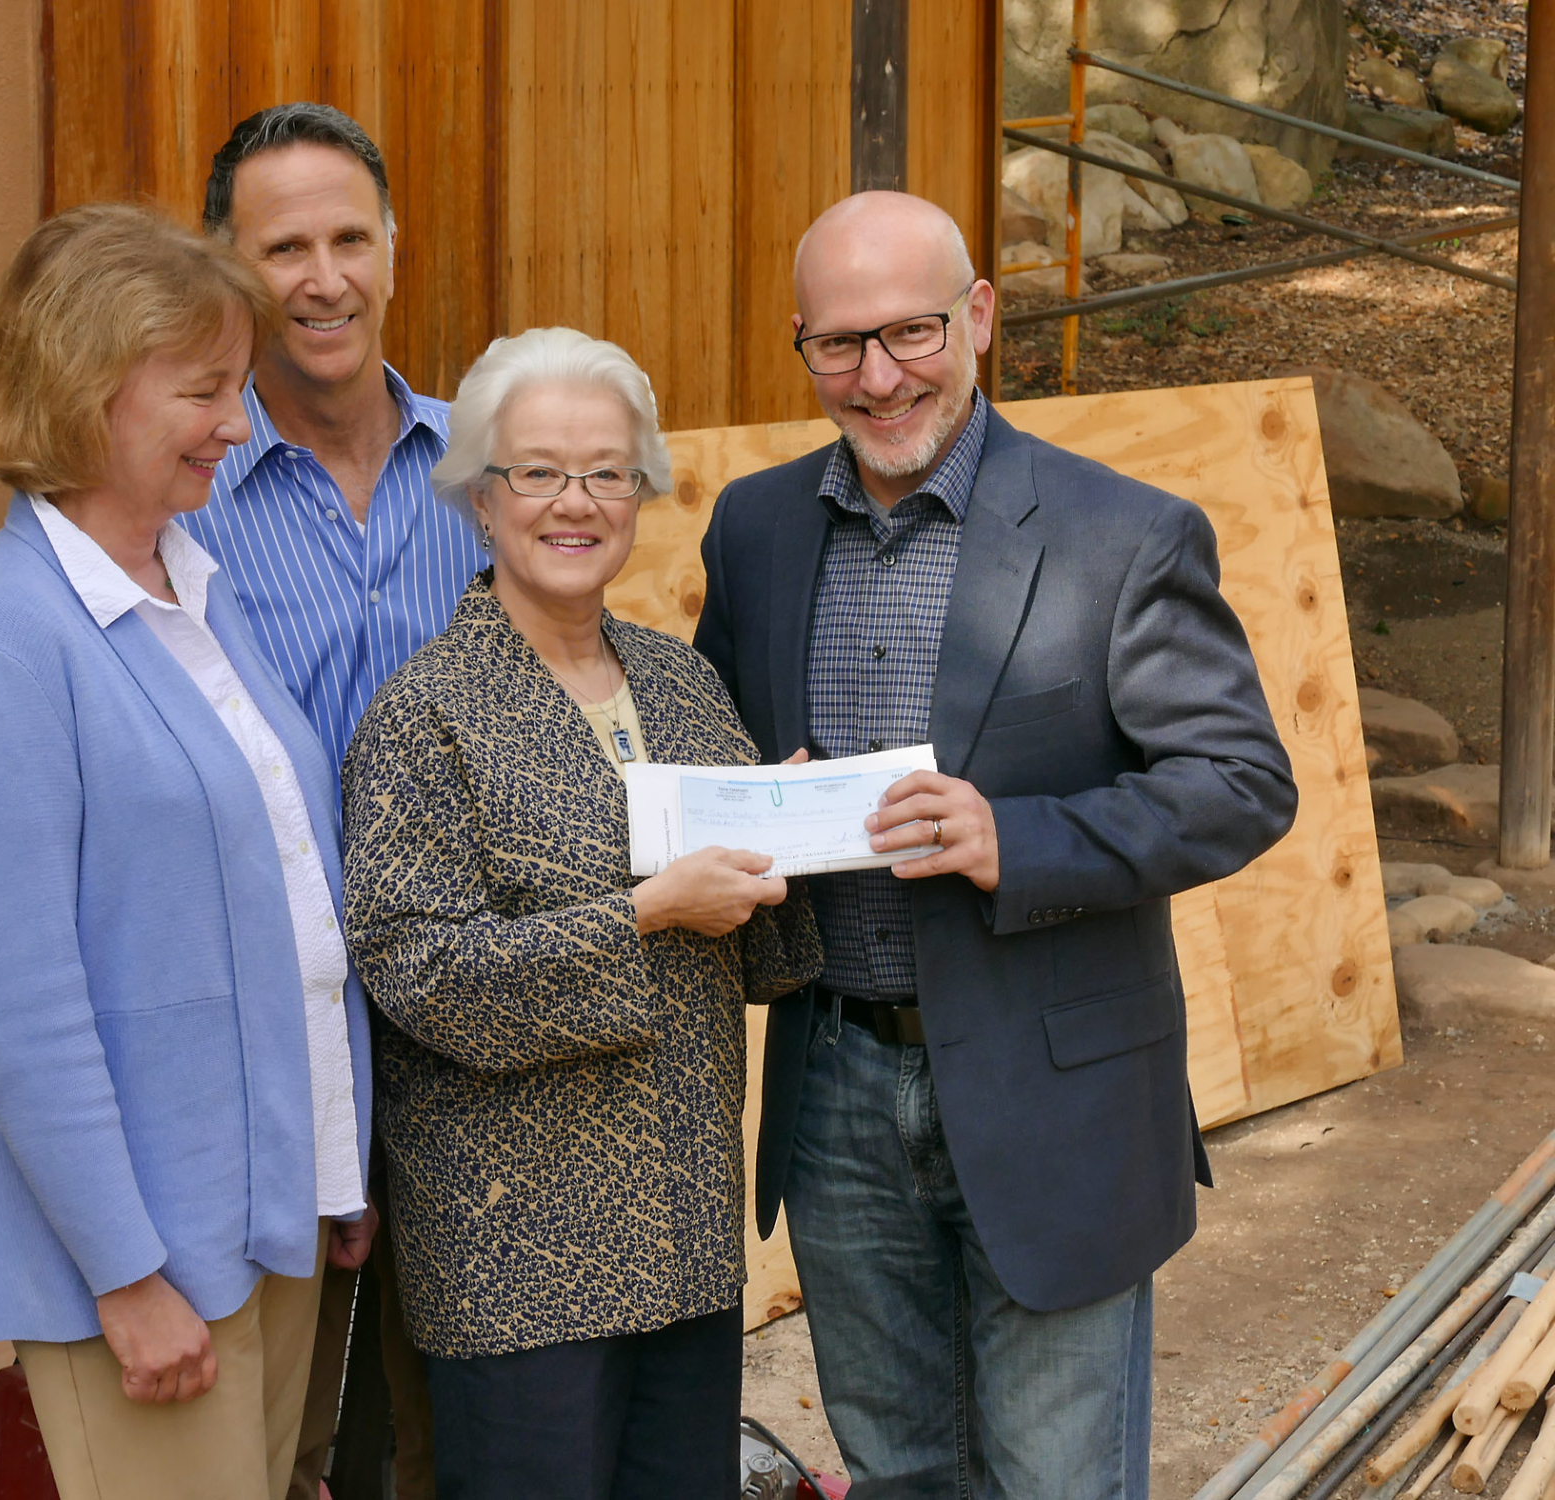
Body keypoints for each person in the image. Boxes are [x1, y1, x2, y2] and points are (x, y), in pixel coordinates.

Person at [692, 191, 1298, 1497]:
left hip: (1055, 1093)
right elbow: (720, 748)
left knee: (1056, 1480)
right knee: (899, 1472)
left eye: (908, 332)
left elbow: (1240, 782)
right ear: (801, 346)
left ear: (975, 316)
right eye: (837, 345)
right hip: (836, 1088)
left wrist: (1012, 839)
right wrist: (745, 806)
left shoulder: (1119, 532)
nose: (877, 377)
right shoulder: (753, 528)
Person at [0, 203, 374, 1500]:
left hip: (264, 1218)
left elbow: (280, 906)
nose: (239, 423)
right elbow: (21, 1015)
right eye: (205, 391)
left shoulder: (192, 590)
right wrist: (124, 1275)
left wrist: (332, 1165)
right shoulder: (3, 645)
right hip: (148, 1261)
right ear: (84, 389)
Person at [340, 327, 824, 1500]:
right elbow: (415, 972)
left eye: (607, 471)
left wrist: (798, 829)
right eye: (538, 471)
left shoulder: (682, 683)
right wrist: (644, 914)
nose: (575, 501)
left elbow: (756, 944)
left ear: (640, 492)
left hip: (684, 1230)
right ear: (479, 496)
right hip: (518, 1253)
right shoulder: (424, 716)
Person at [191, 102, 485, 1500]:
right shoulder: (182, 497)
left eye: (349, 239)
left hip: (464, 1029)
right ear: (226, 266)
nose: (324, 280)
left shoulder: (490, 473)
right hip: (272, 1035)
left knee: (458, 1433)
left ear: (392, 248)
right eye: (284, 248)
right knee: (276, 1441)